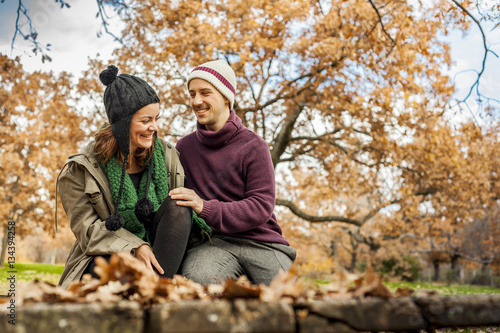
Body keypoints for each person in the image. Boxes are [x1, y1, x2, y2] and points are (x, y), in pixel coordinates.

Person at [56, 65, 211, 289]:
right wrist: (136, 247)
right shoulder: (80, 169)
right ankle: (152, 295)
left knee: (180, 203)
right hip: (106, 256)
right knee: (120, 266)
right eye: (146, 120)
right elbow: (88, 232)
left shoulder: (168, 156)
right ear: (123, 124)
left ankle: (154, 293)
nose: (154, 128)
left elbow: (176, 221)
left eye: (156, 118)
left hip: (161, 254)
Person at [169, 60, 296, 285]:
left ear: (226, 96)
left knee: (288, 294)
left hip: (262, 242)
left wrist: (205, 207)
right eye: (192, 94)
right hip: (213, 245)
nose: (196, 101)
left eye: (205, 93)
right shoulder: (184, 148)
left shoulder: (254, 146)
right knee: (197, 284)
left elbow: (261, 206)